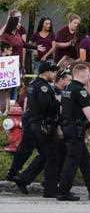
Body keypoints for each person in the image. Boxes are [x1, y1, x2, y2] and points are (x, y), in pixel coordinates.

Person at [8, 60, 61, 196]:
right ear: (46, 72)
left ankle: (20, 176)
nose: (55, 74)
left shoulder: (34, 84)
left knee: (39, 152)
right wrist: (58, 102)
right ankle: (25, 178)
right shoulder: (43, 87)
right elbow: (46, 106)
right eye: (53, 71)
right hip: (39, 123)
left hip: (32, 121)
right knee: (48, 154)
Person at [58, 63, 90, 201]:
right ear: (84, 75)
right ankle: (63, 192)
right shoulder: (80, 91)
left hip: (69, 128)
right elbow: (89, 113)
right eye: (89, 75)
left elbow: (62, 109)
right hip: (75, 129)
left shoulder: (68, 88)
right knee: (72, 162)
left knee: (85, 160)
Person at [1, 9, 27, 108]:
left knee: (14, 89)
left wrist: (22, 65)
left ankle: (12, 111)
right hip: (7, 66)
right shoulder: (6, 32)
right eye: (17, 17)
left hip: (17, 64)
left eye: (20, 17)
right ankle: (3, 112)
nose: (19, 19)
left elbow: (23, 46)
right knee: (5, 90)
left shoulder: (18, 32)